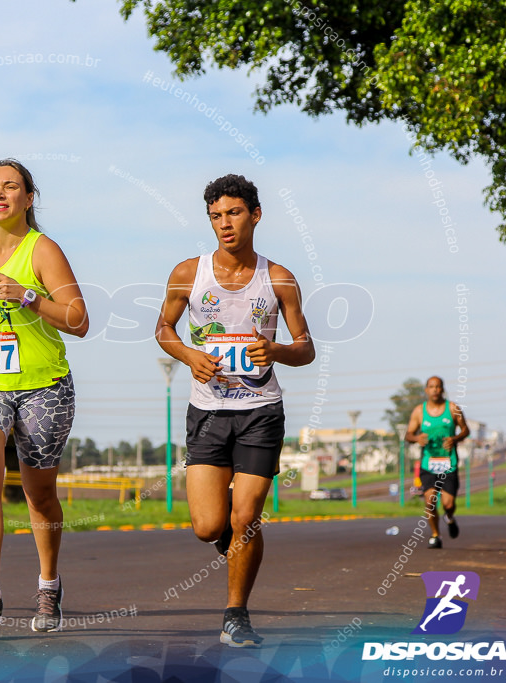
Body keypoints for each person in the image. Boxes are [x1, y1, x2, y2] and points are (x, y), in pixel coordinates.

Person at [155, 174, 315, 648]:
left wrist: (277, 350)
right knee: (208, 526)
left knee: (245, 516)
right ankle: (237, 547)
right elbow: (164, 328)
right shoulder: (189, 272)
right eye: (216, 216)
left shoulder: (279, 278)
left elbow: (305, 347)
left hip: (261, 411)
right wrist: (188, 355)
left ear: (255, 215)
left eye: (234, 213)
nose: (225, 224)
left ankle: (235, 614)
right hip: (207, 411)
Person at [0, 159, 88, 632]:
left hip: (42, 384)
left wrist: (26, 295)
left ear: (30, 198)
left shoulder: (43, 250)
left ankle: (49, 584)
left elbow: (78, 320)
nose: (0, 194)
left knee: (38, 493)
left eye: (11, 187)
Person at [405, 376, 470, 549]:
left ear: (442, 389)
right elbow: (408, 435)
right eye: (431, 387)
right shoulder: (419, 411)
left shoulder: (453, 408)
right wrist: (417, 438)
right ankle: (435, 535)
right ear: (426, 390)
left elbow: (466, 430)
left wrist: (455, 439)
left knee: (448, 504)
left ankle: (449, 517)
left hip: (449, 464)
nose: (435, 390)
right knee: (430, 501)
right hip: (428, 464)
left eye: (438, 387)